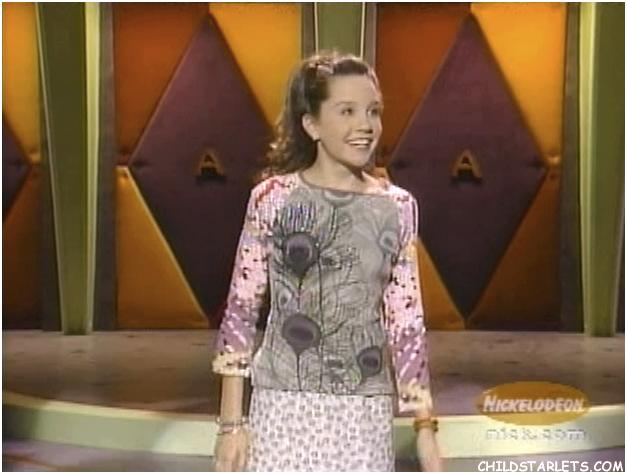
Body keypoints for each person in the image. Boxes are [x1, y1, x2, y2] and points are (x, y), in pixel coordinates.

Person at [212, 51, 442, 472]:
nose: (366, 125)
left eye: (373, 111)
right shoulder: (273, 199)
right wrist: (231, 425)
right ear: (311, 124)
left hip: (363, 414)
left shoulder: (397, 208)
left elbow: (406, 324)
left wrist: (425, 428)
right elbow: (240, 314)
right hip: (283, 407)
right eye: (347, 111)